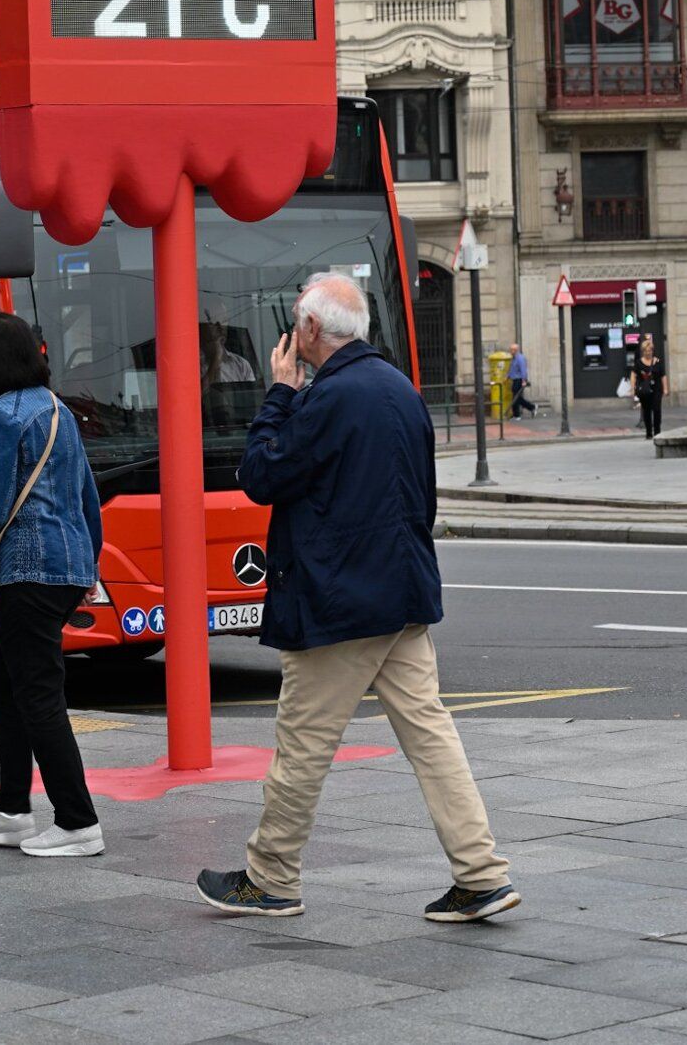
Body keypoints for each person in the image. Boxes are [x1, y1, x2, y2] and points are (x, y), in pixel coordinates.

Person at [196, 273, 519, 924]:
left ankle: (271, 876)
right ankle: (480, 873)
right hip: (402, 597)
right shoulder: (400, 390)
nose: (291, 339)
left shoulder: (326, 397)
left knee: (302, 743)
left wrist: (280, 393)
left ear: (311, 330)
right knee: (431, 735)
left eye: (294, 325)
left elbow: (262, 474)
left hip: (339, 604)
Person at [0, 312, 104, 859]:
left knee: (36, 694)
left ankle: (78, 822)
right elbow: (87, 501)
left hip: (27, 569)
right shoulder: (60, 411)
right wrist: (87, 568)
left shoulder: (2, 417)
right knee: (2, 681)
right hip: (64, 566)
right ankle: (10, 809)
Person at [631, 336, 669, 440]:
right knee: (646, 411)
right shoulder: (639, 363)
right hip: (645, 390)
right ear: (643, 351)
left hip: (656, 389)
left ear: (652, 351)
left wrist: (665, 389)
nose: (648, 353)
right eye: (646, 351)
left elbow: (663, 375)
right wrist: (633, 388)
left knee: (657, 410)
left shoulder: (657, 362)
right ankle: (648, 433)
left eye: (650, 350)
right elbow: (633, 375)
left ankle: (657, 432)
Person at [508, 344, 535, 419]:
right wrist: (507, 377)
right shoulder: (513, 358)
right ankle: (531, 407)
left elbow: (523, 370)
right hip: (515, 379)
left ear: (515, 350)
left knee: (516, 397)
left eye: (511, 350)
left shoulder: (520, 358)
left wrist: (524, 380)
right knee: (516, 397)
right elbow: (512, 369)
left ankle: (517, 414)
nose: (510, 351)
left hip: (519, 379)